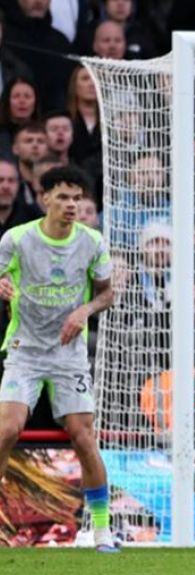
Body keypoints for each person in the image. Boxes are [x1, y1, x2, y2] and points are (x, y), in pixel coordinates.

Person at [0, 166, 117, 552]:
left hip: (69, 356)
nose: (72, 205)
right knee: (7, 430)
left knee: (83, 436)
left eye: (77, 198)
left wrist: (84, 310)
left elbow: (106, 293)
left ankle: (102, 529)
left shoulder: (92, 241)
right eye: (64, 197)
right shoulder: (17, 239)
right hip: (25, 351)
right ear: (44, 197)